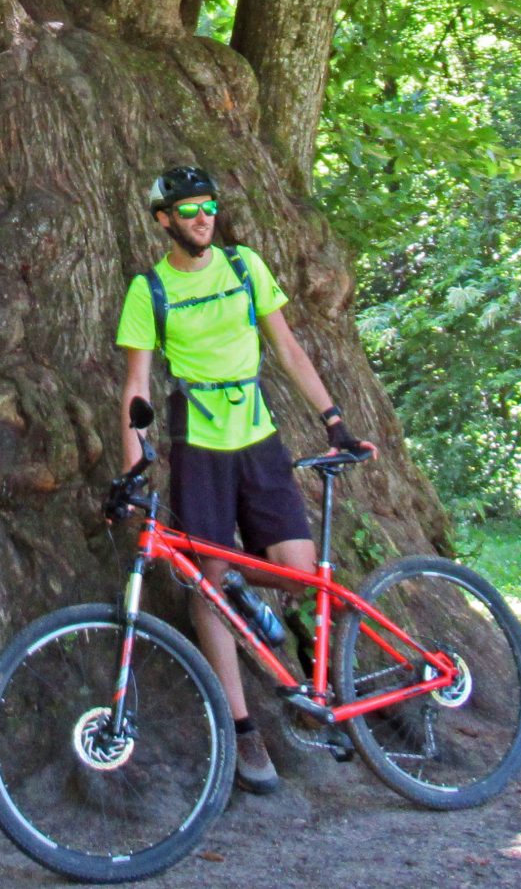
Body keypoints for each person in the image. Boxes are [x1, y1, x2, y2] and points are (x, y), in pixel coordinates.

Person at [117, 164, 376, 796]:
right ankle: (241, 727)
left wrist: (333, 420)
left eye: (209, 205)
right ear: (164, 221)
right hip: (199, 443)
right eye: (188, 208)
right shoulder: (148, 290)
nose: (203, 216)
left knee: (301, 568)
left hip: (258, 437)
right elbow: (135, 388)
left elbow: (287, 348)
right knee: (203, 587)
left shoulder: (244, 266)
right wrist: (131, 472)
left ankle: (232, 577)